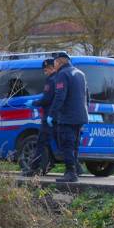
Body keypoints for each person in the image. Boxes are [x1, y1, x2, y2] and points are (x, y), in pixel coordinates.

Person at [47, 52, 89, 183]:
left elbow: (60, 96)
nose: (54, 65)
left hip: (67, 116)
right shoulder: (80, 74)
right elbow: (87, 96)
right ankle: (75, 169)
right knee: (74, 144)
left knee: (66, 144)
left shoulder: (62, 74)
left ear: (59, 62)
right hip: (80, 116)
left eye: (54, 62)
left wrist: (52, 114)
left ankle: (70, 172)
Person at [23, 58, 57, 176]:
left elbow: (47, 99)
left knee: (41, 142)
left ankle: (33, 169)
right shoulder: (60, 78)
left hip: (49, 116)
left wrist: (34, 103)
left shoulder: (51, 80)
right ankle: (75, 168)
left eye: (46, 69)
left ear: (52, 68)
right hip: (57, 116)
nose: (45, 72)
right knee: (62, 143)